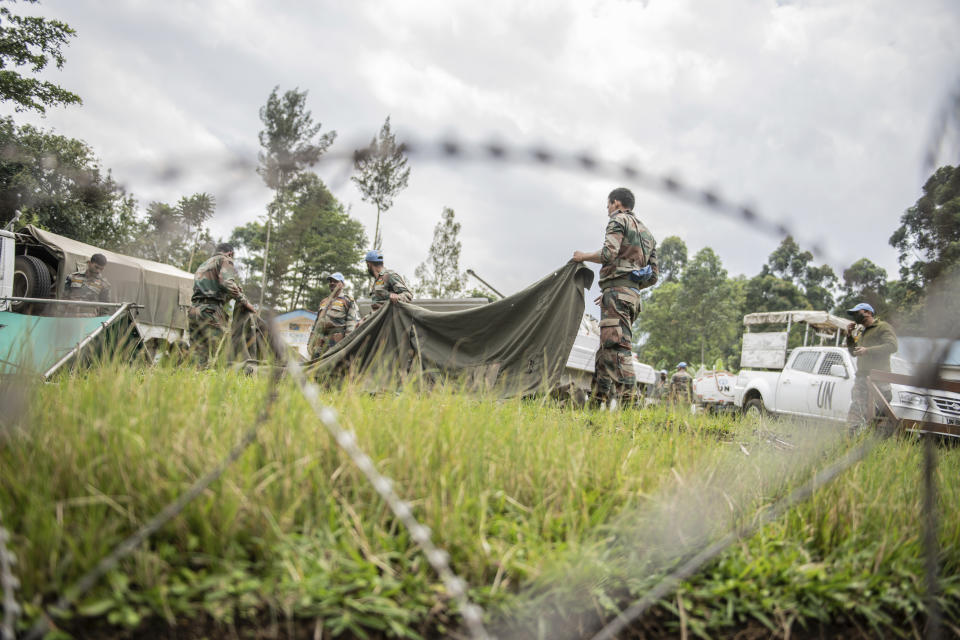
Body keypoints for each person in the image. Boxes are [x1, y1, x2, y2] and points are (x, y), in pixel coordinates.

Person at [572, 187, 658, 408]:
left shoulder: (618, 220)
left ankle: (631, 403)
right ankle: (596, 402)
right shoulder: (648, 234)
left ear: (617, 203)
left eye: (608, 204)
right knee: (605, 350)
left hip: (618, 294)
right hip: (631, 297)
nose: (608, 209)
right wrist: (625, 287)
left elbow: (609, 253)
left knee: (618, 349)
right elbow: (653, 276)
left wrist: (583, 256)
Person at [189, 243, 255, 366]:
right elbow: (227, 283)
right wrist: (244, 301)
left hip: (194, 310)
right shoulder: (225, 260)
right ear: (230, 253)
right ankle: (223, 381)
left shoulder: (203, 265)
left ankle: (194, 380)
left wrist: (231, 295)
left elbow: (211, 289)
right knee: (223, 350)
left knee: (197, 354)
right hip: (210, 311)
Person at [845, 302, 898, 425]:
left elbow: (892, 346)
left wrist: (868, 350)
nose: (854, 316)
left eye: (857, 313)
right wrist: (849, 335)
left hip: (879, 378)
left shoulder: (883, 327)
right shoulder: (863, 331)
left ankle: (878, 439)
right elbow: (854, 352)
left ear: (868, 313)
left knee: (880, 413)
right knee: (856, 410)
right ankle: (851, 438)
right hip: (862, 377)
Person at [307, 272, 359, 358]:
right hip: (320, 343)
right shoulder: (324, 302)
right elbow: (316, 323)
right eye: (330, 281)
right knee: (317, 367)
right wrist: (310, 341)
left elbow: (351, 325)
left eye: (335, 281)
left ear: (342, 284)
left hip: (336, 342)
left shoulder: (347, 300)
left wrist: (348, 344)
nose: (332, 283)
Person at [364, 249, 412, 315]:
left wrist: (398, 297)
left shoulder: (390, 275)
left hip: (389, 320)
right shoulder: (377, 280)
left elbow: (408, 295)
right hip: (378, 319)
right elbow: (376, 306)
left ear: (369, 265)